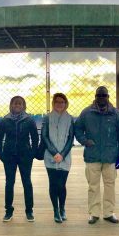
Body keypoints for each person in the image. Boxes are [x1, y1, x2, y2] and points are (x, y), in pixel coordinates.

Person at [74, 86, 119, 224]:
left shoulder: (116, 114)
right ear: (95, 97)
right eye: (99, 95)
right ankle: (94, 213)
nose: (101, 98)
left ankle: (109, 212)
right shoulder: (86, 113)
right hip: (92, 155)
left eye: (104, 95)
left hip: (110, 156)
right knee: (93, 186)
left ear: (108, 97)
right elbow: (77, 128)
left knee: (110, 185)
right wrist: (84, 141)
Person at [0, 96, 39, 222]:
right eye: (15, 104)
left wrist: (32, 153)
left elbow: (35, 138)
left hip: (25, 156)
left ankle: (29, 210)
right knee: (9, 183)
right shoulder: (5, 120)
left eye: (20, 104)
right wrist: (0, 153)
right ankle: (8, 210)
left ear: (24, 106)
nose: (17, 106)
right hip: (9, 156)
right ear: (11, 105)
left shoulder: (29, 120)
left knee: (27, 182)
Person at [41, 93, 75, 223]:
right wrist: (54, 153)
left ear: (66, 103)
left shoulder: (70, 119)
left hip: (65, 157)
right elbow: (44, 137)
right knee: (53, 184)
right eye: (57, 102)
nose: (59, 104)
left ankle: (62, 208)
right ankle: (55, 210)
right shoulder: (47, 118)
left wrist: (62, 154)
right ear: (53, 103)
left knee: (62, 184)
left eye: (62, 102)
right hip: (50, 157)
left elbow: (71, 138)